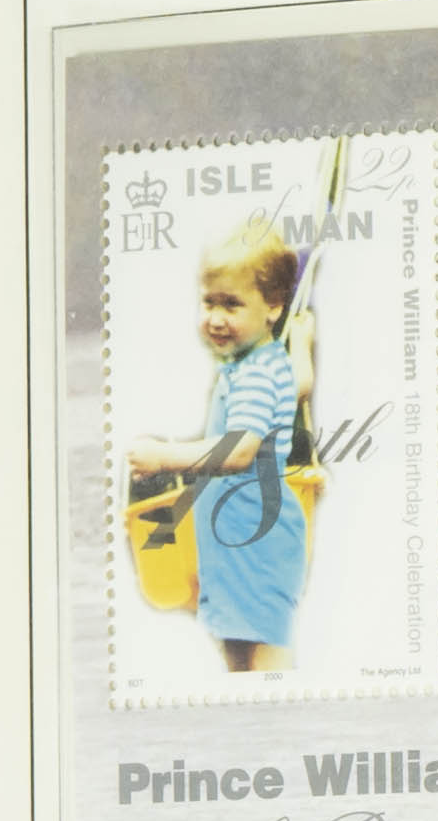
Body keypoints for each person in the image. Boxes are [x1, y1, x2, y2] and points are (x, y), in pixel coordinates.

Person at [120, 227, 309, 671]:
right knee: (240, 649)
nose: (217, 319)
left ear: (273, 306)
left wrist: (164, 458)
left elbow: (240, 450)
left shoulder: (254, 374)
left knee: (264, 659)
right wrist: (301, 341)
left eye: (232, 305)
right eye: (210, 303)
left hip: (254, 542)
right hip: (240, 537)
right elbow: (299, 384)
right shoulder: (262, 361)